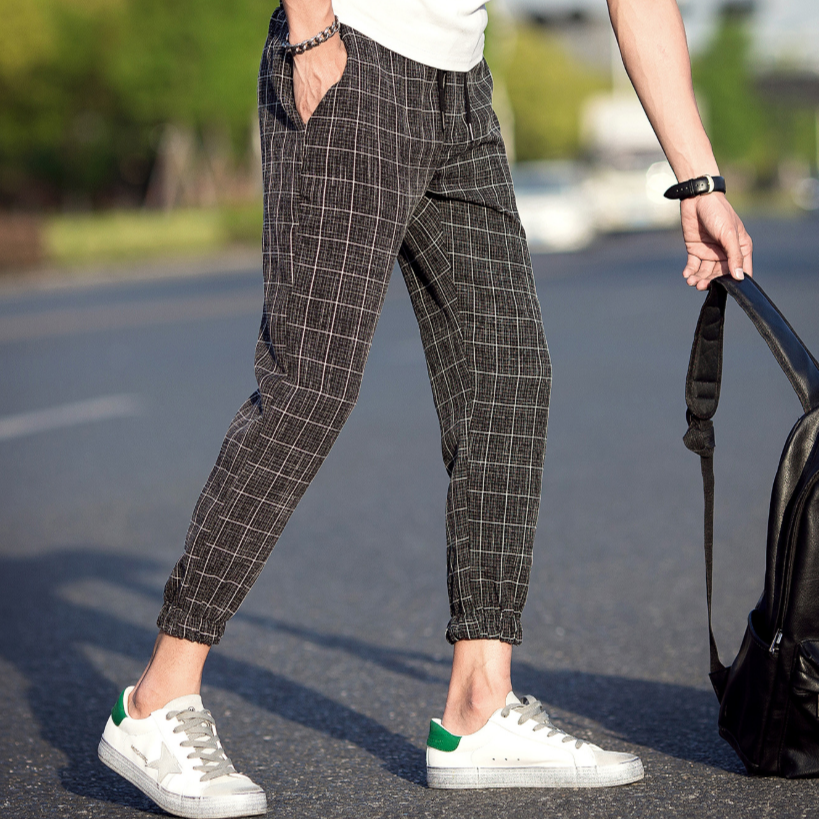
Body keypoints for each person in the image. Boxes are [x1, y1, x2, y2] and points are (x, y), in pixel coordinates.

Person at [97, 0, 753, 815]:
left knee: (507, 372)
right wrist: (310, 29)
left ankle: (479, 703)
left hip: (462, 93)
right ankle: (156, 701)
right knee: (310, 387)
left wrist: (698, 180)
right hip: (352, 57)